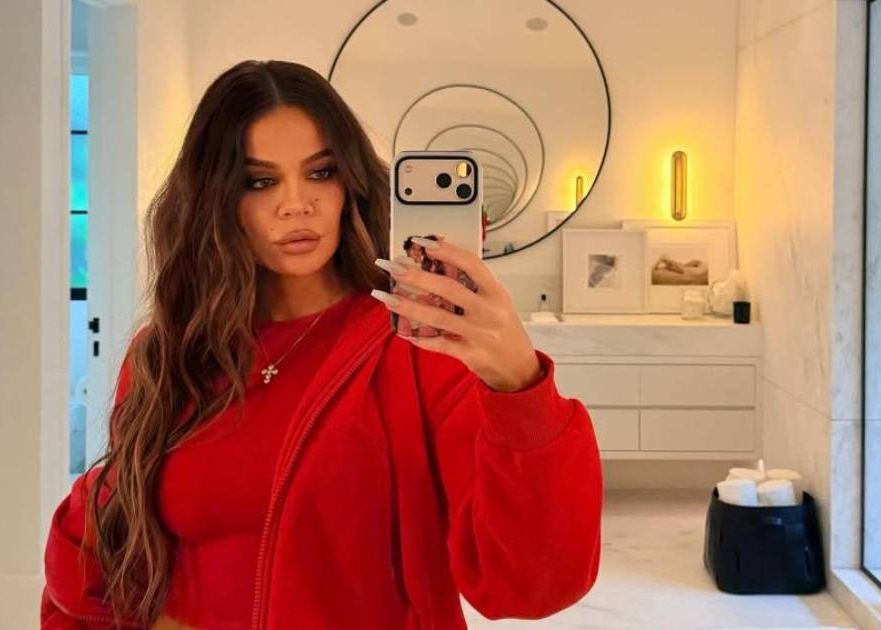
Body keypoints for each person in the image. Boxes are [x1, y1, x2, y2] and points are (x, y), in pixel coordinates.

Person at [40, 60, 603, 629]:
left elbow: (531, 584)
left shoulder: (418, 351)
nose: (296, 204)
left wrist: (518, 383)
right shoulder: (169, 353)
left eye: (320, 172)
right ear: (216, 198)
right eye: (260, 181)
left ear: (349, 184)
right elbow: (92, 538)